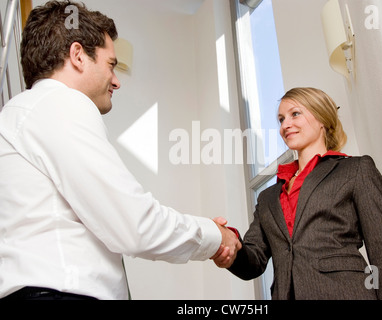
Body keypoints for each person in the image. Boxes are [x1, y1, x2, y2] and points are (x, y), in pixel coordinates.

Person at [0, 0, 239, 300]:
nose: (116, 81)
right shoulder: (61, 103)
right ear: (77, 56)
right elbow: (134, 224)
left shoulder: (16, 116)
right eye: (110, 65)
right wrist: (215, 236)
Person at [214, 87, 382, 300]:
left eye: (295, 114)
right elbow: (253, 262)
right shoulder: (268, 198)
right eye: (281, 119)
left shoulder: (356, 170)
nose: (285, 125)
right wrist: (229, 246)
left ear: (322, 119)